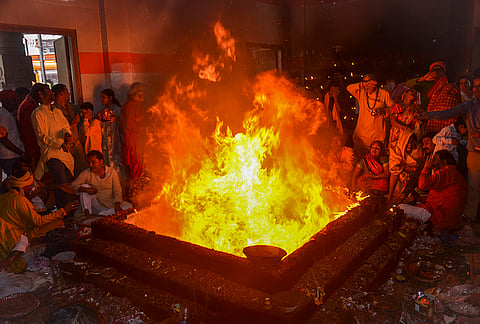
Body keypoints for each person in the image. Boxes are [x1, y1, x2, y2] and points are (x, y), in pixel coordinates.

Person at [420, 76, 480, 224]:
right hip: (475, 153)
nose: (477, 89)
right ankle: (470, 218)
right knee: (473, 186)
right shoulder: (469, 106)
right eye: (475, 86)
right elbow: (449, 112)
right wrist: (429, 115)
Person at [0, 169, 78, 273]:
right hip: (21, 236)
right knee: (58, 223)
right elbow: (38, 221)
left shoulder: (4, 197)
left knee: (53, 221)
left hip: (12, 235)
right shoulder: (20, 200)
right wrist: (64, 210)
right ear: (25, 185)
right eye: (31, 184)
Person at [398, 150, 467, 242]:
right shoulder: (455, 173)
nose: (433, 163)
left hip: (440, 216)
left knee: (400, 208)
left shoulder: (446, 171)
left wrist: (427, 168)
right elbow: (443, 196)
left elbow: (423, 185)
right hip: (447, 216)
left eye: (435, 160)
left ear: (443, 162)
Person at [31, 84, 74, 209]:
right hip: (51, 153)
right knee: (61, 184)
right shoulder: (37, 113)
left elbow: (65, 126)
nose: (52, 94)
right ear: (40, 94)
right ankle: (63, 213)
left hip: (64, 152)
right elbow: (42, 136)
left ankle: (69, 211)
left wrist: (67, 135)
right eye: (48, 91)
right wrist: (60, 144)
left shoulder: (57, 111)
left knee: (67, 182)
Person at [70, 150, 131, 217]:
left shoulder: (111, 172)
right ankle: (88, 214)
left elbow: (117, 191)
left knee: (129, 206)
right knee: (84, 186)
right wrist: (86, 189)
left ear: (101, 161)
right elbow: (74, 185)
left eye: (94, 162)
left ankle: (102, 215)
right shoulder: (87, 173)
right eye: (89, 163)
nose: (91, 165)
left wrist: (117, 206)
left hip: (111, 205)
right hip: (96, 206)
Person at [406, 61, 460, 133]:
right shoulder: (425, 83)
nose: (436, 72)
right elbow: (407, 84)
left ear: (443, 72)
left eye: (438, 69)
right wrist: (422, 79)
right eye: (433, 70)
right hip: (424, 115)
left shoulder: (447, 85)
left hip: (440, 119)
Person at [347, 74, 394, 156]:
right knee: (360, 160)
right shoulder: (361, 93)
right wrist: (363, 84)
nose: (367, 86)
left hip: (378, 135)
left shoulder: (384, 94)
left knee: (376, 160)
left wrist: (383, 110)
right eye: (365, 83)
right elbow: (349, 88)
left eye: (369, 83)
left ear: (375, 83)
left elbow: (393, 109)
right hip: (362, 135)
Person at [52, 84, 85, 175]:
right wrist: (71, 124)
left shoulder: (71, 107)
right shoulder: (53, 110)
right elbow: (55, 130)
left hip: (77, 144)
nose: (69, 94)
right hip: (65, 146)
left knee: (82, 171)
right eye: (66, 92)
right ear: (60, 94)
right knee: (69, 173)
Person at [388, 130, 424, 203]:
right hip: (400, 180)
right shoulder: (396, 150)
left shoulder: (419, 151)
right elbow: (394, 171)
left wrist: (411, 169)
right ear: (403, 141)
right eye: (408, 142)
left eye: (412, 142)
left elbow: (420, 168)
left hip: (414, 179)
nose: (410, 144)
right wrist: (390, 193)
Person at [121, 82, 146, 185]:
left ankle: (135, 192)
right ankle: (134, 194)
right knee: (135, 170)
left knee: (136, 169)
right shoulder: (132, 105)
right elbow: (129, 124)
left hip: (136, 141)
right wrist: (143, 128)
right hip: (134, 142)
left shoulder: (134, 104)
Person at [98, 88, 123, 176]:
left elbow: (124, 126)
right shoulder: (102, 111)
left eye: (103, 97)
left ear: (110, 98)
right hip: (106, 143)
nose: (101, 99)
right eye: (101, 97)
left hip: (116, 142)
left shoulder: (118, 110)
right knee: (107, 163)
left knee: (116, 164)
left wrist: (117, 120)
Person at [17, 83, 42, 166]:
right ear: (40, 94)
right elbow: (32, 130)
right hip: (32, 145)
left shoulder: (30, 104)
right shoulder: (29, 106)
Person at [0, 105, 24, 176]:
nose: (16, 101)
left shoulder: (5, 113)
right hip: (10, 156)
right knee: (16, 181)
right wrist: (22, 153)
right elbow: (4, 140)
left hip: (10, 155)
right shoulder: (3, 116)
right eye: (13, 99)